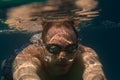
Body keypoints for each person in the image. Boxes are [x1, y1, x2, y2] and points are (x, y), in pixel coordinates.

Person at [12, 21, 107, 80]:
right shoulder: (27, 58)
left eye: (71, 48)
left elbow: (96, 74)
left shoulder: (85, 55)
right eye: (54, 49)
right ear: (41, 46)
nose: (63, 56)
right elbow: (25, 75)